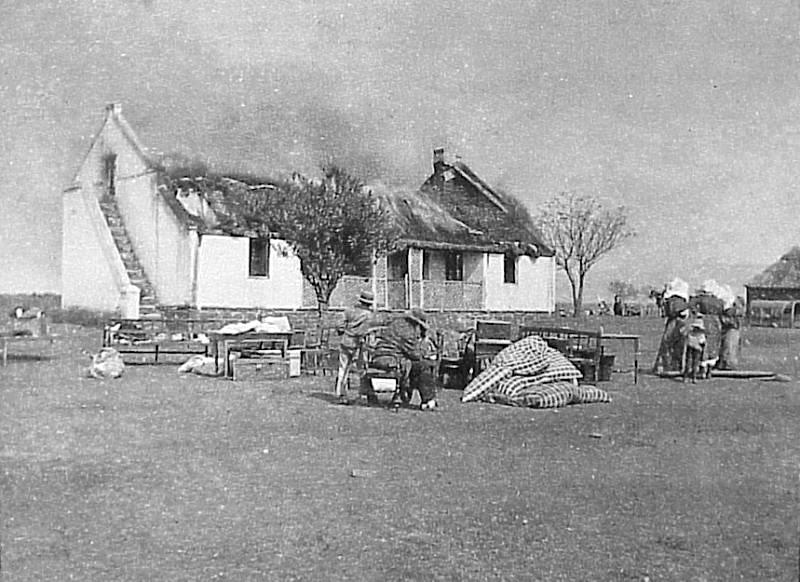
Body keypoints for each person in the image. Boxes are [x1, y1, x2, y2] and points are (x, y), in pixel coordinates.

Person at [363, 307, 437, 410]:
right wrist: (424, 350)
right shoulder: (409, 332)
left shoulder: (395, 323)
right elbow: (414, 354)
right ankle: (428, 399)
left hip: (378, 357)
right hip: (392, 360)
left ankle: (411, 394)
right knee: (422, 366)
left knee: (414, 364)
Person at [334, 290, 376, 405]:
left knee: (343, 369)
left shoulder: (349, 310)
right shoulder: (369, 315)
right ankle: (360, 395)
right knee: (361, 370)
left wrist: (343, 331)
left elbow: (339, 324)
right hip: (360, 344)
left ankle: (341, 395)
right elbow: (369, 331)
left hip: (346, 341)